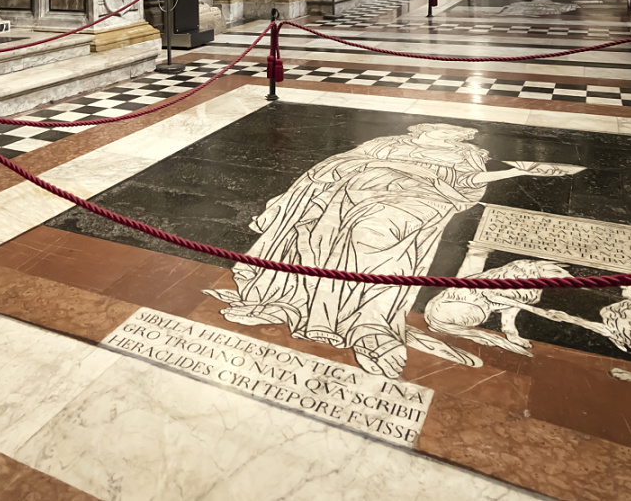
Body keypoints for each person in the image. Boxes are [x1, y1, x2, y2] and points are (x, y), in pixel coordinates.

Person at [205, 123, 576, 377]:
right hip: (356, 189)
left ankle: (371, 325)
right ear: (421, 131)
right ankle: (286, 302)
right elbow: (338, 164)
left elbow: (464, 186)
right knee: (323, 226)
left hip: (419, 199)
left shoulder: (466, 157)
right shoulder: (388, 143)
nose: (445, 134)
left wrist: (518, 171)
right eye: (438, 130)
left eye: (453, 133)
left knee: (371, 234)